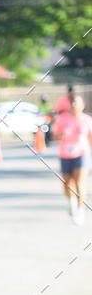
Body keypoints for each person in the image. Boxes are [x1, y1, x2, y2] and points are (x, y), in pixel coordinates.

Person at [52, 94, 92, 225]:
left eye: (77, 103)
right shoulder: (63, 119)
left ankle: (80, 211)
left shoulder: (87, 120)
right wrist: (61, 135)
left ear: (82, 105)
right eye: (73, 103)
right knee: (67, 183)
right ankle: (72, 202)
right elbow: (54, 136)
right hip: (65, 155)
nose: (74, 105)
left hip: (82, 154)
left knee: (80, 182)